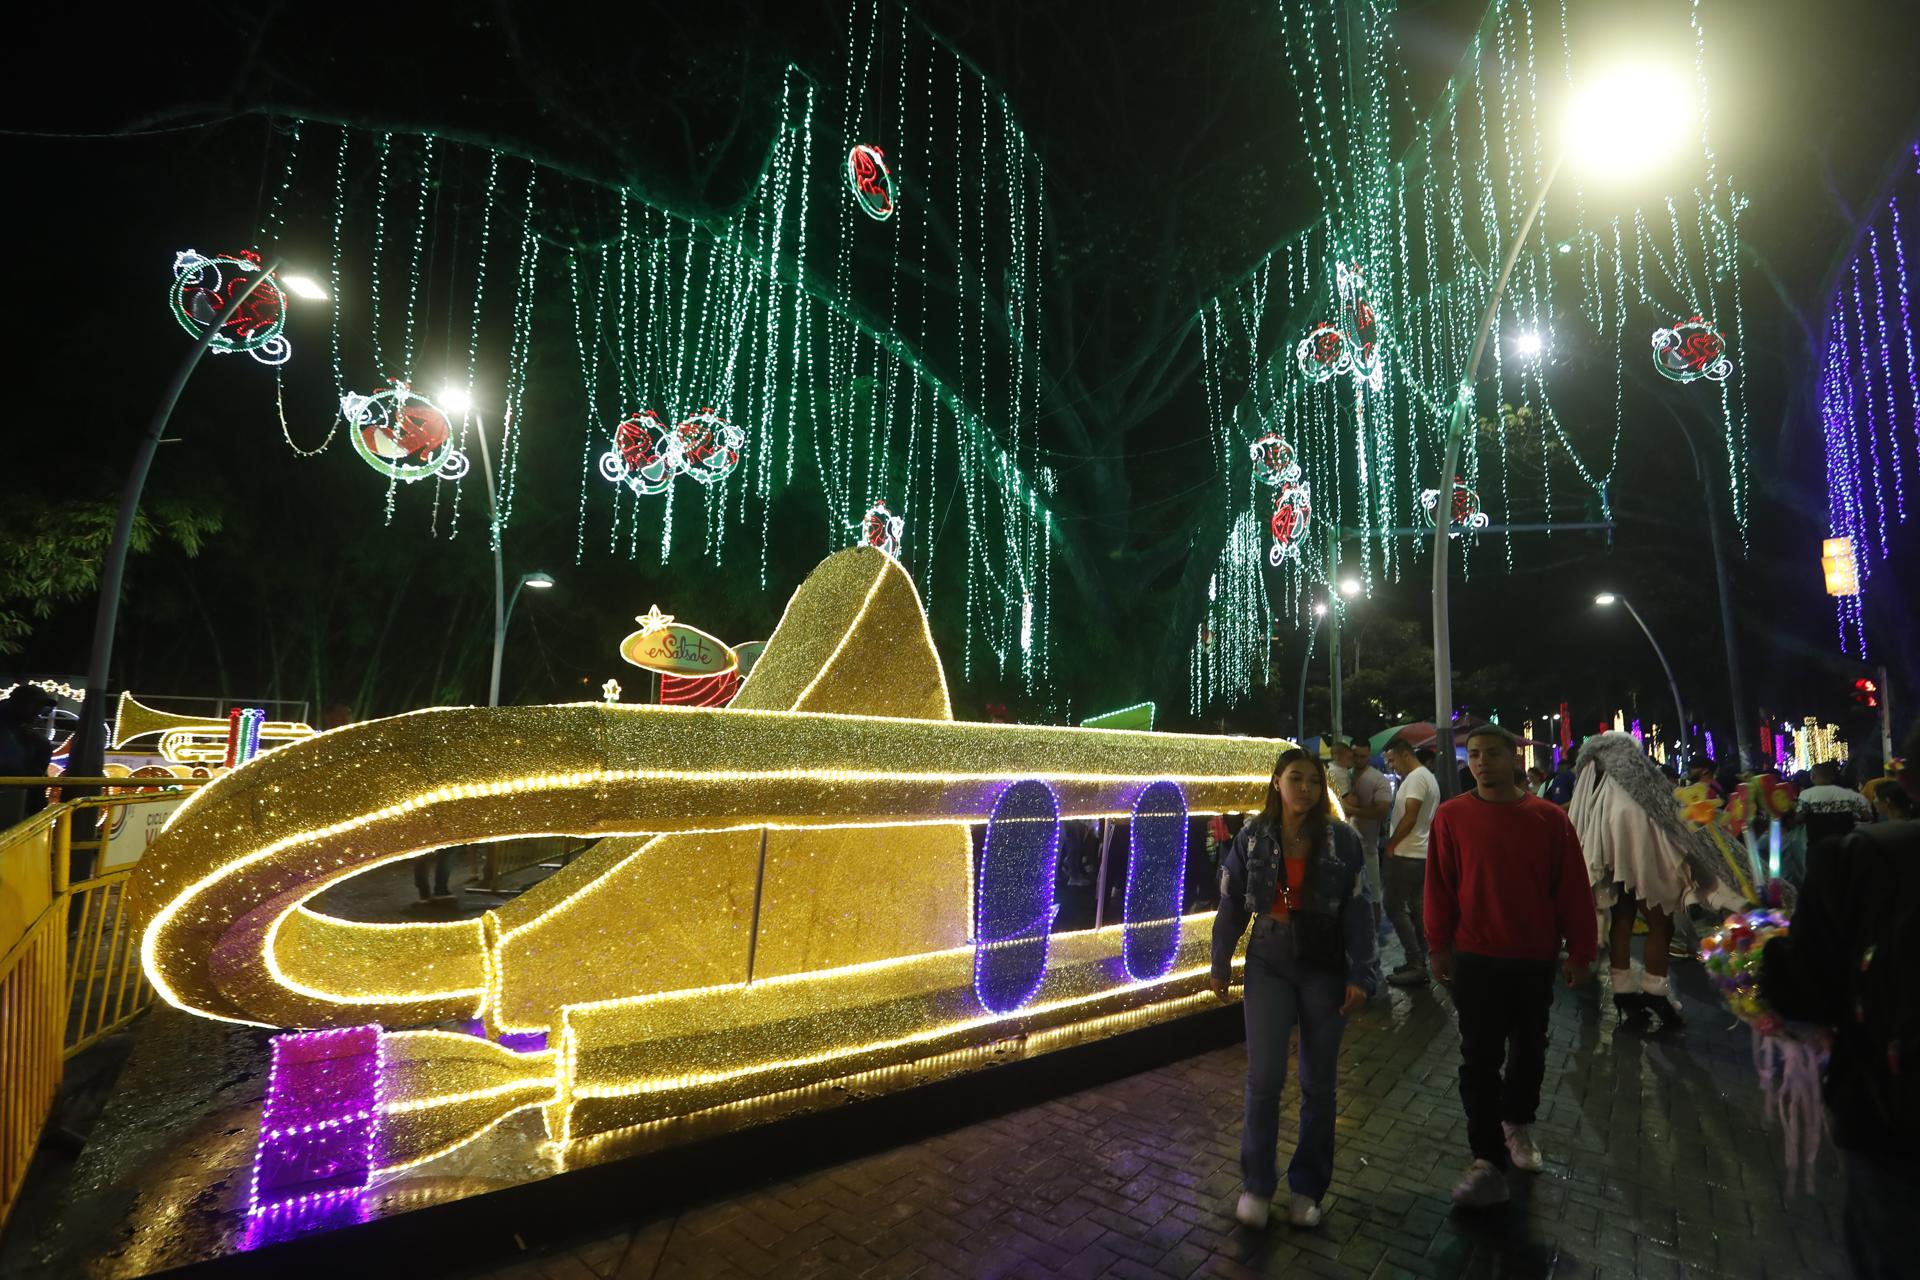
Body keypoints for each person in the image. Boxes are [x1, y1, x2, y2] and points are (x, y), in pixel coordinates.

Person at [1759, 720, 1920, 1278]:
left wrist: (1765, 958)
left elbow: (1807, 987)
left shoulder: (1862, 859)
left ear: (1907, 780)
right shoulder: (1860, 821)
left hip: (1891, 1109)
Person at [1425, 724, 1597, 1208]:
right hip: (1475, 957)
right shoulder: (1451, 817)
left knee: (1530, 1048)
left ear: (1513, 757)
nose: (1482, 763)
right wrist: (1438, 945)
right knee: (1479, 1057)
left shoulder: (1548, 819)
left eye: (1493, 754)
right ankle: (1486, 1156)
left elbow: (1572, 889)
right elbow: (1439, 886)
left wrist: (1580, 951)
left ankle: (1517, 1122)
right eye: (1475, 754)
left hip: (1533, 956)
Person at [1210, 748, 1379, 1230]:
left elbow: (1358, 908)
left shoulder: (1343, 839)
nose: (1305, 788)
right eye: (1295, 778)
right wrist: (1220, 961)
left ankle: (1307, 1188)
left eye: (1313, 780)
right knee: (1263, 1080)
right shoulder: (1253, 835)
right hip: (1268, 958)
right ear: (1277, 782)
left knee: (1318, 1084)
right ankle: (1256, 1185)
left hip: (1324, 964)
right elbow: (1231, 902)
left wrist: (1361, 973)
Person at [1567, 732, 1745, 1029]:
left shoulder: (1598, 794)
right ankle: (1655, 992)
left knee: (1621, 921)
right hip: (1644, 865)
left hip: (1608, 862)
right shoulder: (1642, 791)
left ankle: (1623, 993)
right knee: (1660, 924)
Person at [1381, 736, 1439, 986]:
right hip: (1420, 853)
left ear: (1405, 754)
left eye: (1392, 760)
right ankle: (1419, 960)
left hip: (1406, 854)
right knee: (1416, 908)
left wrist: (1391, 844)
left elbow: (1411, 816)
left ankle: (1416, 962)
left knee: (1393, 906)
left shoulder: (1416, 778)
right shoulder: (1426, 776)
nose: (1391, 766)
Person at [1342, 745, 1394, 941]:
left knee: (1373, 893)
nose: (1358, 760)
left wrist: (1352, 810)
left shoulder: (1378, 779)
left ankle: (1374, 932)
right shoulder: (1346, 775)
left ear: (1369, 755)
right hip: (1348, 845)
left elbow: (1382, 810)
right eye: (1355, 756)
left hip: (1368, 846)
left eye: (1363, 756)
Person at [0, 688, 57, 829]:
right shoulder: (24, 735)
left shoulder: (26, 733)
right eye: (34, 705)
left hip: (18, 801)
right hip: (11, 799)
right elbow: (12, 766)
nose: (38, 711)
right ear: (18, 703)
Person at [1796, 761, 1873, 847]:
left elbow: (1799, 818)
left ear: (1812, 777)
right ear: (1832, 777)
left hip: (1817, 845)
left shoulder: (1806, 795)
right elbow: (1868, 816)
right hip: (1846, 845)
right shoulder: (1850, 795)